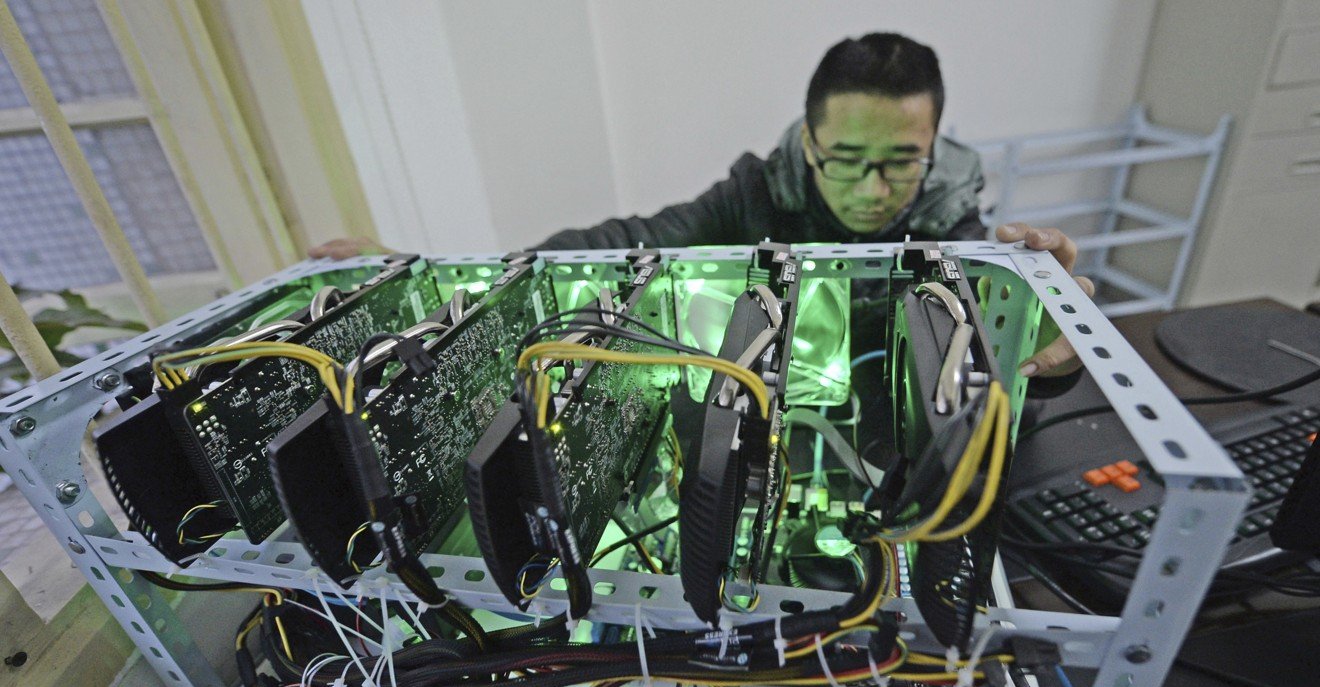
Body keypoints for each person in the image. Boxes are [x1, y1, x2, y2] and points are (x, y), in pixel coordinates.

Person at [311, 32, 1093, 378]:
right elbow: (627, 240)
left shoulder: (955, 214)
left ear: (932, 149)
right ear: (808, 144)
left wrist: (1045, 336)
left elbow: (986, 341)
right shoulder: (758, 190)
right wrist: (442, 274)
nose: (872, 190)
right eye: (846, 162)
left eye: (900, 163)